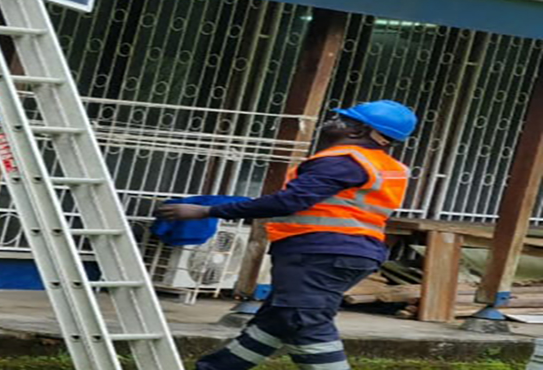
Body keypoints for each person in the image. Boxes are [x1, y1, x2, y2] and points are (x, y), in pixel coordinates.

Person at [155, 100, 418, 370]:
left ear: (360, 132)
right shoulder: (383, 166)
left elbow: (288, 202)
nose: (330, 121)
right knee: (277, 320)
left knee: (304, 320)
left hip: (319, 253)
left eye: (342, 120)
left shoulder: (342, 162)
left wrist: (207, 211)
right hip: (352, 252)